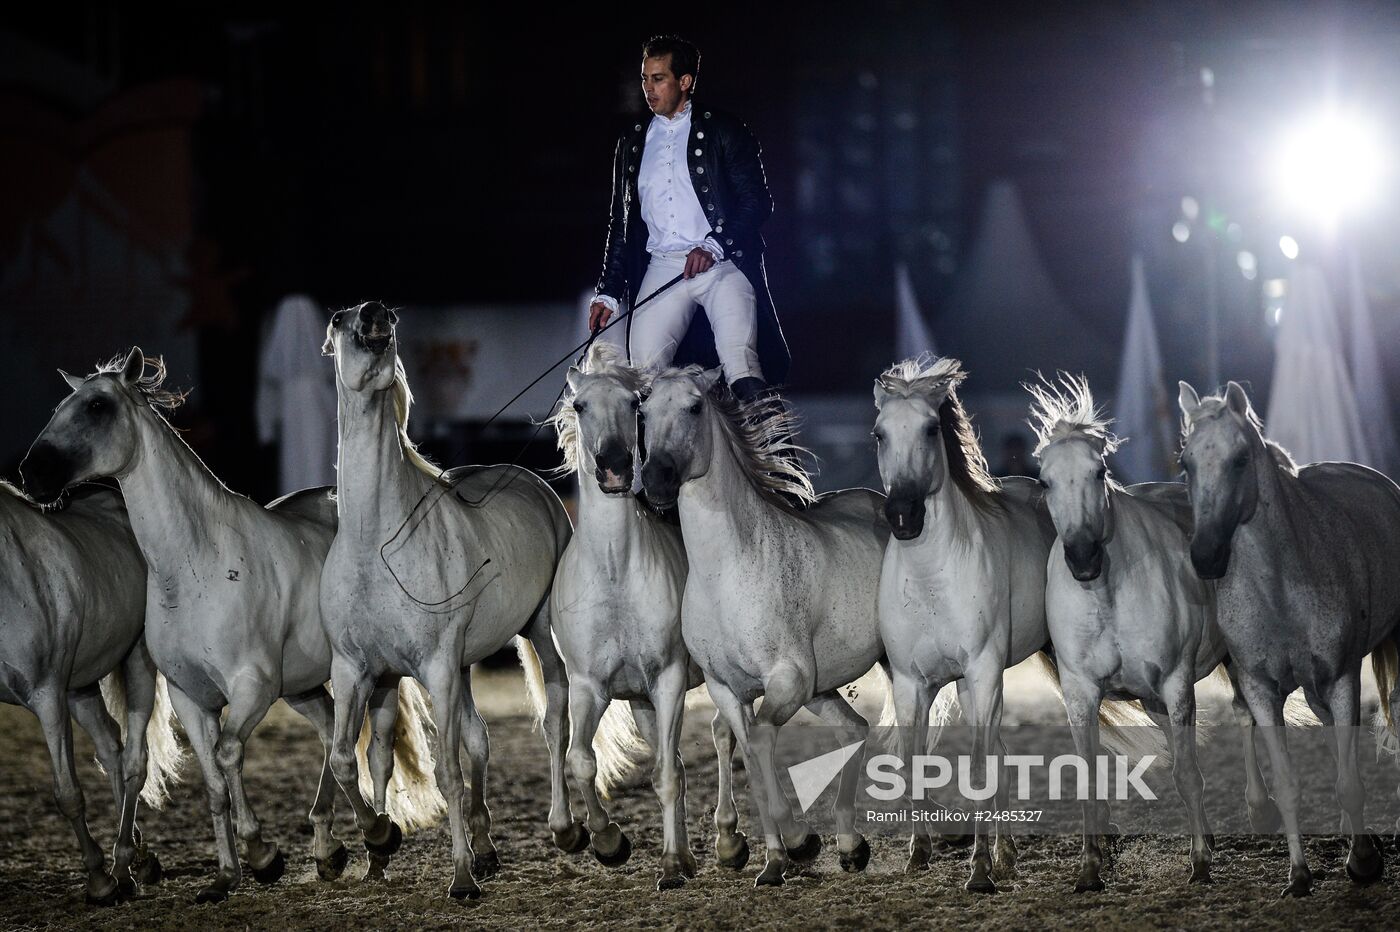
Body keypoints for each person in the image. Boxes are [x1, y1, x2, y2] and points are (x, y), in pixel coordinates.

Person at [589, 35, 790, 401]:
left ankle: (774, 454)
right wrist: (608, 292)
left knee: (741, 365)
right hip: (664, 266)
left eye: (658, 78)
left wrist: (714, 245)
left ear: (685, 81)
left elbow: (757, 201)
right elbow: (620, 225)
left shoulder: (724, 130)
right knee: (643, 379)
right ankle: (647, 459)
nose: (648, 88)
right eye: (645, 78)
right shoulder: (632, 142)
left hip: (722, 266)